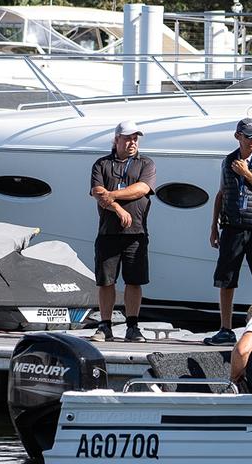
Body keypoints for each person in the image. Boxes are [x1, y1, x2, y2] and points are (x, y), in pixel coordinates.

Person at [205, 118, 252, 346]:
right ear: (238, 136)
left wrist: (247, 174)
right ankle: (225, 329)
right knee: (226, 280)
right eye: (249, 136)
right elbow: (221, 193)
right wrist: (213, 227)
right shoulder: (228, 161)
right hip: (231, 227)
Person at [89, 121, 157, 343]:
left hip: (136, 232)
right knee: (106, 281)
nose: (132, 142)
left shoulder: (145, 163)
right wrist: (117, 208)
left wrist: (112, 195)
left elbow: (142, 188)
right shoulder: (101, 164)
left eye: (136, 138)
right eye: (128, 138)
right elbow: (97, 192)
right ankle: (105, 325)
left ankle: (132, 327)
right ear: (116, 139)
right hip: (108, 232)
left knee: (134, 281)